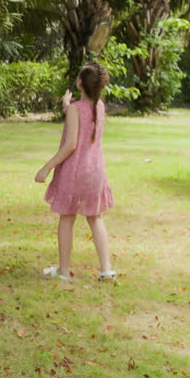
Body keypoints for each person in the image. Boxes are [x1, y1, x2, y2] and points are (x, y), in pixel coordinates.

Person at [35, 63, 117, 281]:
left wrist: (47, 166)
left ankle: (63, 272)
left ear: (80, 83)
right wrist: (67, 107)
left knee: (67, 218)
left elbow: (71, 144)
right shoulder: (99, 106)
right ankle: (106, 269)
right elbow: (84, 117)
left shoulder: (75, 109)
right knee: (95, 218)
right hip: (96, 173)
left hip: (75, 173)